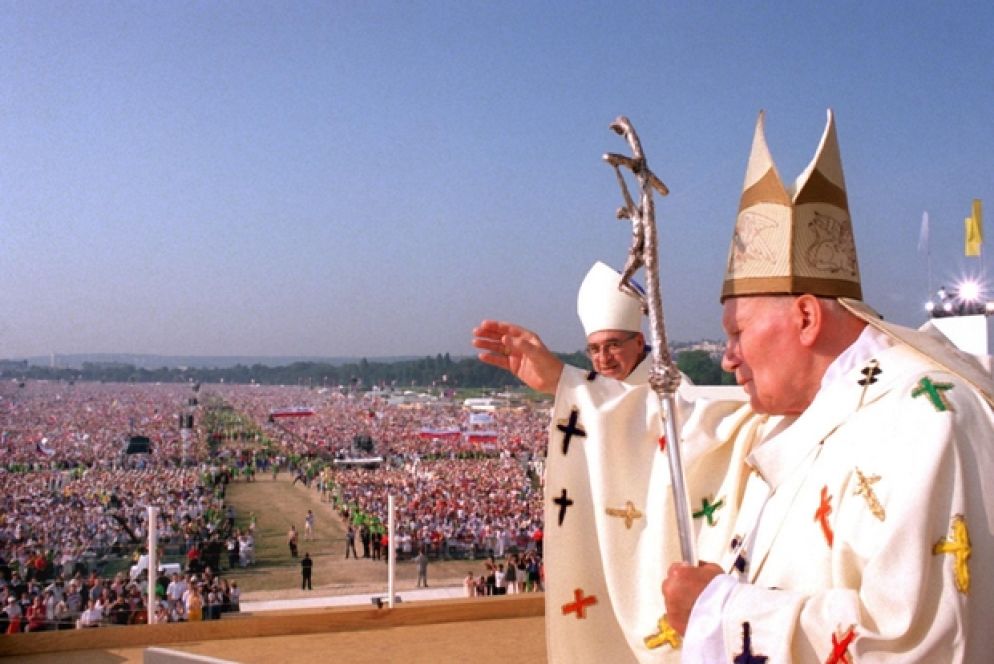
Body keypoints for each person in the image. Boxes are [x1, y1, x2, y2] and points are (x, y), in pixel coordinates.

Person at [473, 110, 994, 663]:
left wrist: (722, 613)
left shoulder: (926, 419)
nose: (727, 358)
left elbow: (923, 640)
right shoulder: (809, 413)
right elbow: (685, 425)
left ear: (807, 317)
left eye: (738, 332)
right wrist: (567, 384)